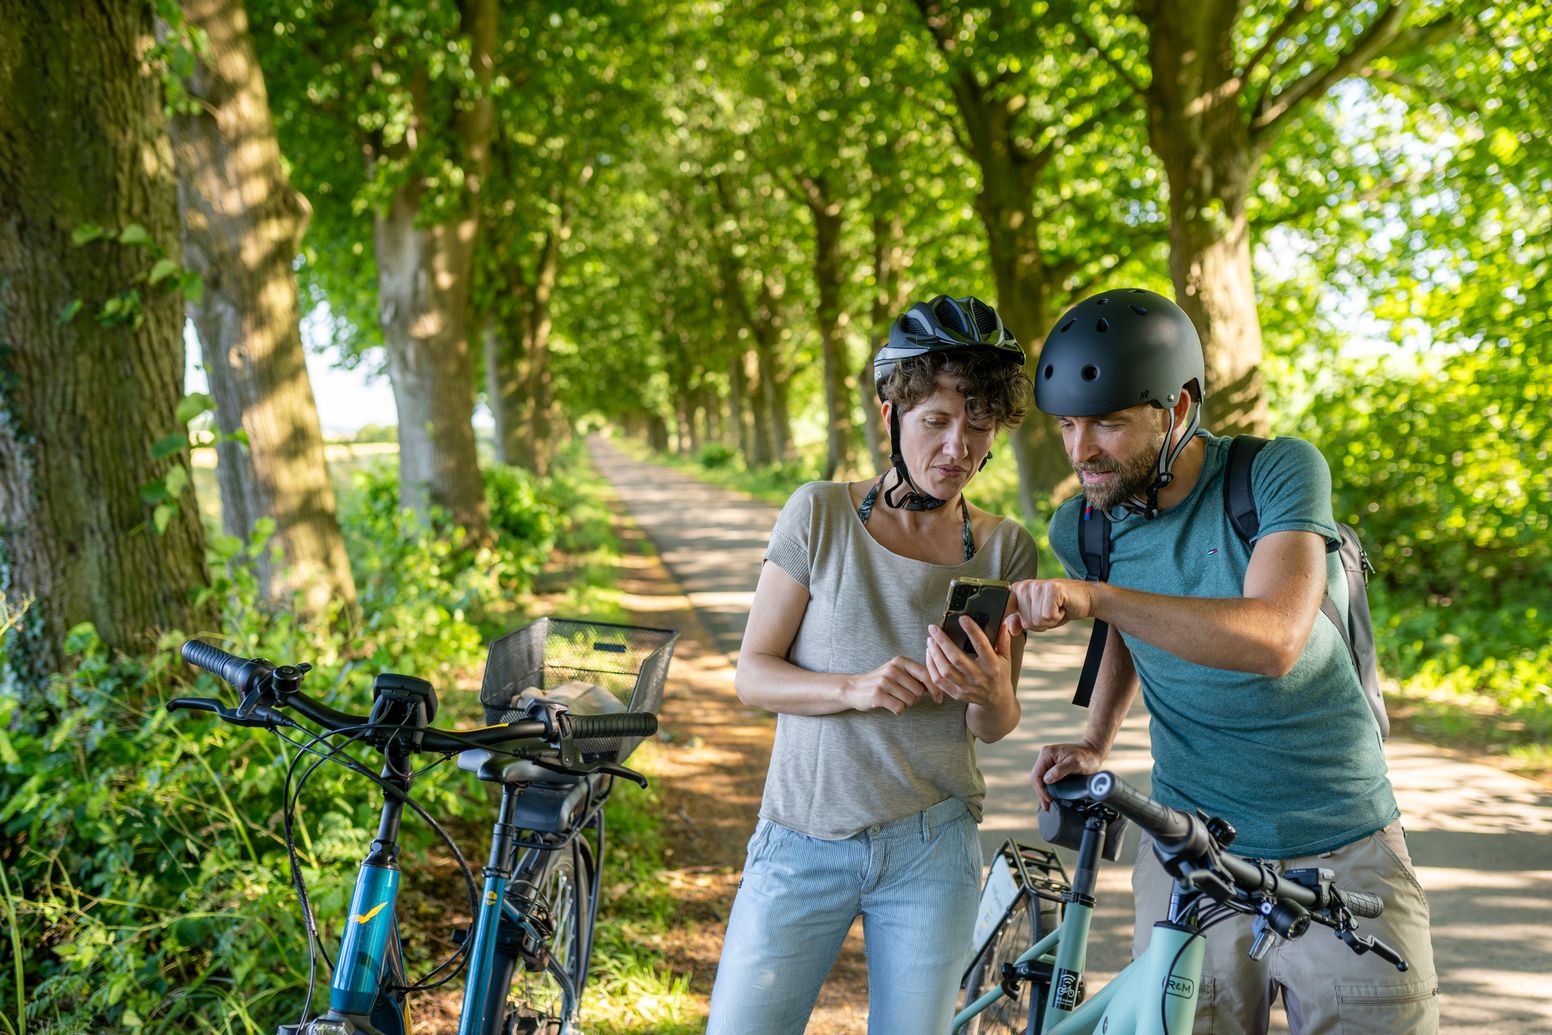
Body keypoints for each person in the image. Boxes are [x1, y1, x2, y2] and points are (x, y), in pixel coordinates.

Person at [1008, 287, 1439, 1033]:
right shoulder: (1086, 525)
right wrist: (1096, 739)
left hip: (1343, 849)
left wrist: (1099, 598)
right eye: (1069, 424)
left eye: (1108, 422)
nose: (1081, 452)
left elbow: (1272, 638)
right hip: (1189, 855)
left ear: (1177, 409)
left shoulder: (1276, 474)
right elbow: (1125, 628)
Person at [705, 295, 1037, 1035]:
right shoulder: (818, 514)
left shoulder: (1005, 546)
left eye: (978, 422)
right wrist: (855, 687)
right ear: (892, 414)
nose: (958, 446)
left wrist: (990, 689)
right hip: (801, 836)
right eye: (937, 421)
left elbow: (995, 723)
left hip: (933, 845)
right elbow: (752, 674)